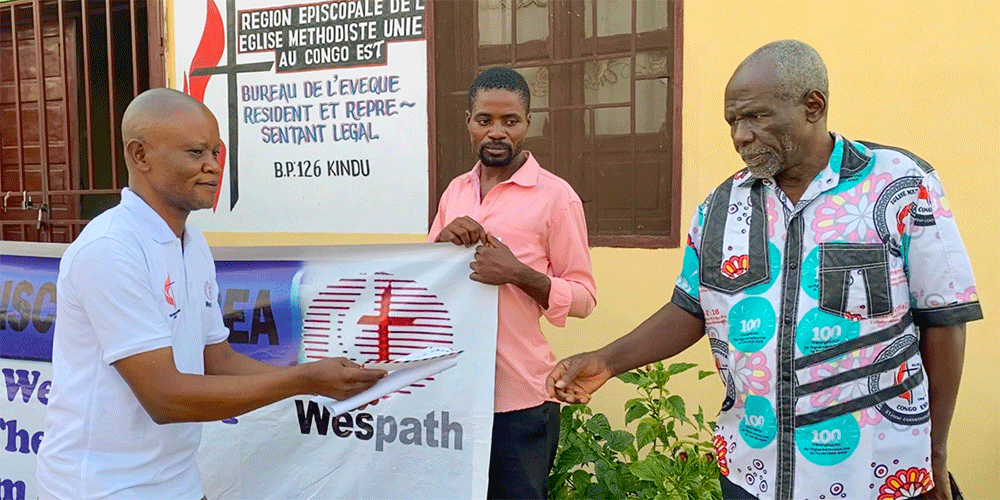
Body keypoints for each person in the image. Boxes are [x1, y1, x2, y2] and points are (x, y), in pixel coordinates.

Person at [546, 40, 981, 500]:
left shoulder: (899, 186)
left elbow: (945, 319)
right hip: (753, 473)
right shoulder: (719, 207)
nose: (740, 135)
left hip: (876, 474)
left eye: (755, 116)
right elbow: (691, 308)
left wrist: (933, 453)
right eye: (733, 121)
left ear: (813, 106)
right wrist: (607, 361)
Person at [35, 88, 386, 500]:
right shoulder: (110, 249)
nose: (213, 167)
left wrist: (322, 384)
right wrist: (302, 379)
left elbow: (216, 360)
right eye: (196, 153)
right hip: (99, 489)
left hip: (177, 484)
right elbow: (164, 397)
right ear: (140, 155)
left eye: (216, 153)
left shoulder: (192, 243)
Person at [428, 67, 597, 499]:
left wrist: (518, 274)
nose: (497, 132)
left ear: (528, 123)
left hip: (521, 402)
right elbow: (428, 287)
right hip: (454, 392)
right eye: (485, 120)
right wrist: (443, 246)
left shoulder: (556, 197)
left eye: (510, 121)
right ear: (468, 121)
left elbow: (583, 297)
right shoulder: (454, 193)